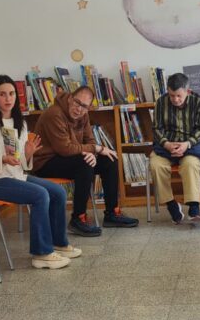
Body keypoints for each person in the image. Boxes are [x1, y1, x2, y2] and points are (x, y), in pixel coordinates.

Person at [0, 75, 80, 269]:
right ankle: (41, 253)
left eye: (12, 94)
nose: (8, 99)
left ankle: (59, 243)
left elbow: (21, 163)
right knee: (40, 195)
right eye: (2, 94)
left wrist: (27, 154)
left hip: (16, 176)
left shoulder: (19, 123)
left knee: (58, 192)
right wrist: (1, 159)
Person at [32, 85, 139, 236]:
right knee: (85, 164)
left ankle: (112, 213)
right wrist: (94, 150)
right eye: (77, 103)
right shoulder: (54, 114)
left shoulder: (83, 115)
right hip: (46, 161)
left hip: (71, 156)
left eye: (84, 106)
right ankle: (78, 218)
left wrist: (93, 153)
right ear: (70, 98)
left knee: (110, 159)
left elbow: (90, 140)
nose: (79, 109)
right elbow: (64, 148)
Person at [150, 72, 200, 224]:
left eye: (178, 95)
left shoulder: (199, 102)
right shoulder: (161, 102)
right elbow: (156, 128)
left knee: (190, 164)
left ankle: (194, 208)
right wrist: (166, 144)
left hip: (191, 145)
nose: (175, 99)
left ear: (187, 91)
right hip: (166, 146)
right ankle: (171, 204)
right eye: (171, 95)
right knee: (155, 165)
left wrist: (187, 143)